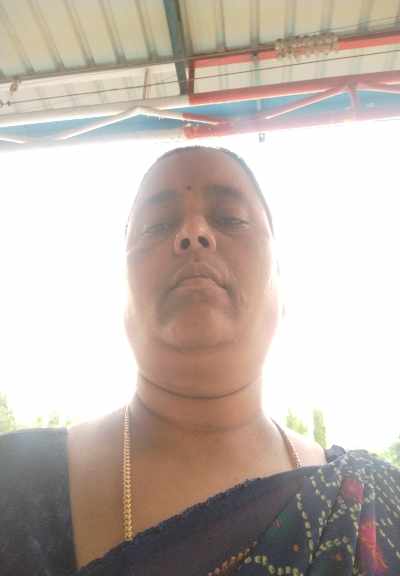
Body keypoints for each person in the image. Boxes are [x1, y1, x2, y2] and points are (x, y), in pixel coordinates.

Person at [1, 145, 399, 576]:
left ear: (281, 287)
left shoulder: (377, 503)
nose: (192, 232)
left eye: (230, 218)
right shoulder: (13, 481)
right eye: (156, 226)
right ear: (123, 293)